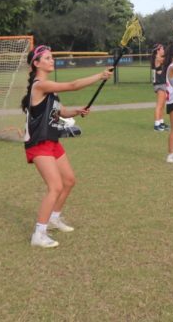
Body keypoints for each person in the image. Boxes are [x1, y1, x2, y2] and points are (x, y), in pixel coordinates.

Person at [20, 45, 113, 248]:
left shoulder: (50, 91)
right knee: (55, 187)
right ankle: (39, 234)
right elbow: (73, 85)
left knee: (69, 180)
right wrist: (99, 75)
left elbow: (60, 111)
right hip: (39, 144)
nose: (51, 60)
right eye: (47, 58)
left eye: (52, 57)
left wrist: (76, 111)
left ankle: (54, 218)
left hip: (52, 142)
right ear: (36, 64)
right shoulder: (39, 85)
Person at [149, 43, 169, 132]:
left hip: (162, 83)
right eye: (162, 49)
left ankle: (161, 123)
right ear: (158, 50)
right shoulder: (158, 59)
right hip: (159, 84)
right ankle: (156, 125)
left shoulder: (159, 58)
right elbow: (166, 60)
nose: (163, 50)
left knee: (162, 105)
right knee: (159, 105)